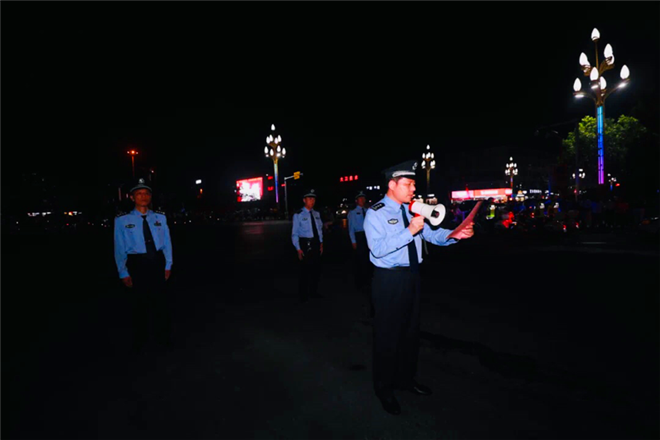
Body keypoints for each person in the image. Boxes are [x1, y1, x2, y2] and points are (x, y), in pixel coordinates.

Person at [364, 160, 474, 416]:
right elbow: (377, 249)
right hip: (389, 281)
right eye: (409, 184)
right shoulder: (376, 213)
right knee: (387, 337)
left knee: (410, 334)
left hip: (412, 277)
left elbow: (430, 235)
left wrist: (453, 235)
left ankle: (406, 379)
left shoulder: (412, 209)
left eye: (414, 184)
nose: (414, 189)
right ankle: (384, 389)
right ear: (392, 185)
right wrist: (409, 230)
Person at [114, 178, 174, 354]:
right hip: (137, 263)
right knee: (138, 304)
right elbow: (119, 247)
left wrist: (168, 265)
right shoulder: (122, 220)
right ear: (132, 197)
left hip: (157, 261)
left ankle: (163, 337)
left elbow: (167, 243)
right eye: (139, 193)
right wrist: (123, 271)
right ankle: (140, 339)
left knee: (160, 303)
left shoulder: (160, 218)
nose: (143, 196)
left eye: (146, 193)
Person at [291, 189, 324, 303]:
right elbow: (294, 233)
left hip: (315, 243)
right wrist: (298, 249)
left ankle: (313, 291)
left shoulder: (316, 214)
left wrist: (321, 243)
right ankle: (303, 295)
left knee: (316, 269)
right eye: (309, 199)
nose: (312, 201)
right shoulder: (298, 215)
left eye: (313, 199)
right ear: (304, 200)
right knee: (304, 270)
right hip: (305, 243)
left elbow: (319, 230)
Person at [348, 190, 374, 317]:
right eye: (360, 198)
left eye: (363, 198)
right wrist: (353, 241)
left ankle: (367, 279)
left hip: (368, 236)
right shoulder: (353, 213)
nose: (362, 200)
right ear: (356, 200)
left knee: (368, 259)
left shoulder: (368, 211)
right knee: (360, 260)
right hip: (359, 236)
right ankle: (360, 282)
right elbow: (351, 228)